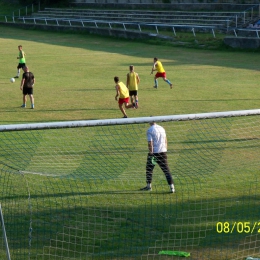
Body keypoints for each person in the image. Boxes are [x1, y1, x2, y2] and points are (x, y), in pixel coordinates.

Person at [140, 121, 175, 193]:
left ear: (149, 122)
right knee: (166, 170)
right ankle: (172, 187)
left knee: (149, 169)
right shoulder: (162, 128)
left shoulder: (150, 130)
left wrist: (151, 153)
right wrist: (165, 149)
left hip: (154, 153)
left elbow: (150, 143)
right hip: (163, 152)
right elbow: (165, 140)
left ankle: (149, 186)